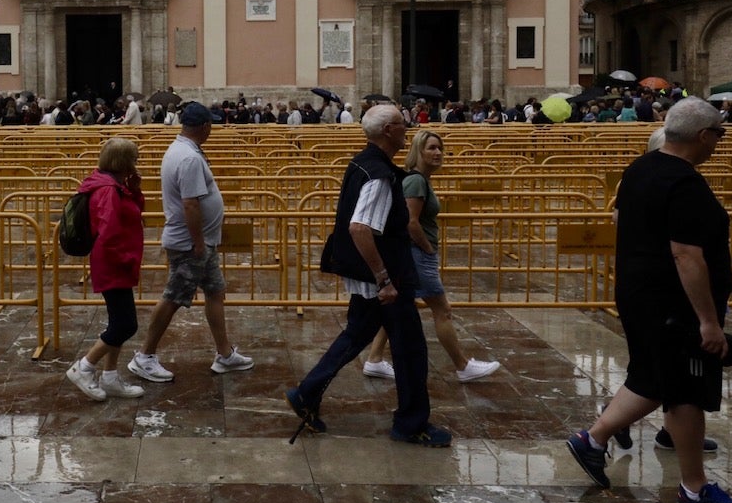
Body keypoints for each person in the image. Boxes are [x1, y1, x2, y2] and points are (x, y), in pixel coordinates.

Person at [566, 98, 732, 503]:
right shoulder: (683, 183)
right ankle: (694, 487)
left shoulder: (639, 170)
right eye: (719, 134)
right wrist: (708, 320)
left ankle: (591, 440)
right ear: (703, 136)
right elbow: (686, 254)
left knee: (652, 377)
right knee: (685, 388)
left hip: (640, 296)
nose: (720, 142)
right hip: (674, 306)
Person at [285, 104, 451, 447]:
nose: (407, 128)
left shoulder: (364, 162)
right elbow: (360, 228)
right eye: (401, 123)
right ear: (389, 131)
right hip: (386, 280)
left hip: (374, 277)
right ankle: (411, 423)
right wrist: (384, 279)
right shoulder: (379, 173)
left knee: (355, 336)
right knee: (410, 349)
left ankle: (306, 393)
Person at [362, 131, 501, 384]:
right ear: (419, 151)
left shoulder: (418, 179)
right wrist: (427, 248)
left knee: (396, 306)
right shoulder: (416, 181)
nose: (438, 153)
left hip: (411, 253)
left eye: (440, 148)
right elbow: (411, 222)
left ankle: (374, 359)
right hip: (418, 254)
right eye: (432, 148)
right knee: (442, 310)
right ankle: (462, 365)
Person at [129, 102, 254, 382]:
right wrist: (198, 242)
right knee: (174, 296)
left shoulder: (184, 151)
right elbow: (190, 204)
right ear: (205, 127)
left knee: (214, 291)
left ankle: (225, 353)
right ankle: (145, 355)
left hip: (201, 242)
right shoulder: (188, 158)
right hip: (190, 243)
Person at [65, 137, 147, 401]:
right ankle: (85, 367)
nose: (136, 163)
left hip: (118, 260)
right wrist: (125, 259)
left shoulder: (113, 186)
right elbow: (110, 230)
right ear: (123, 161)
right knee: (126, 325)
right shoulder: (108, 190)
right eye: (133, 159)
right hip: (114, 262)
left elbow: (133, 213)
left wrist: (134, 191)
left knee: (118, 320)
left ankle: (110, 377)